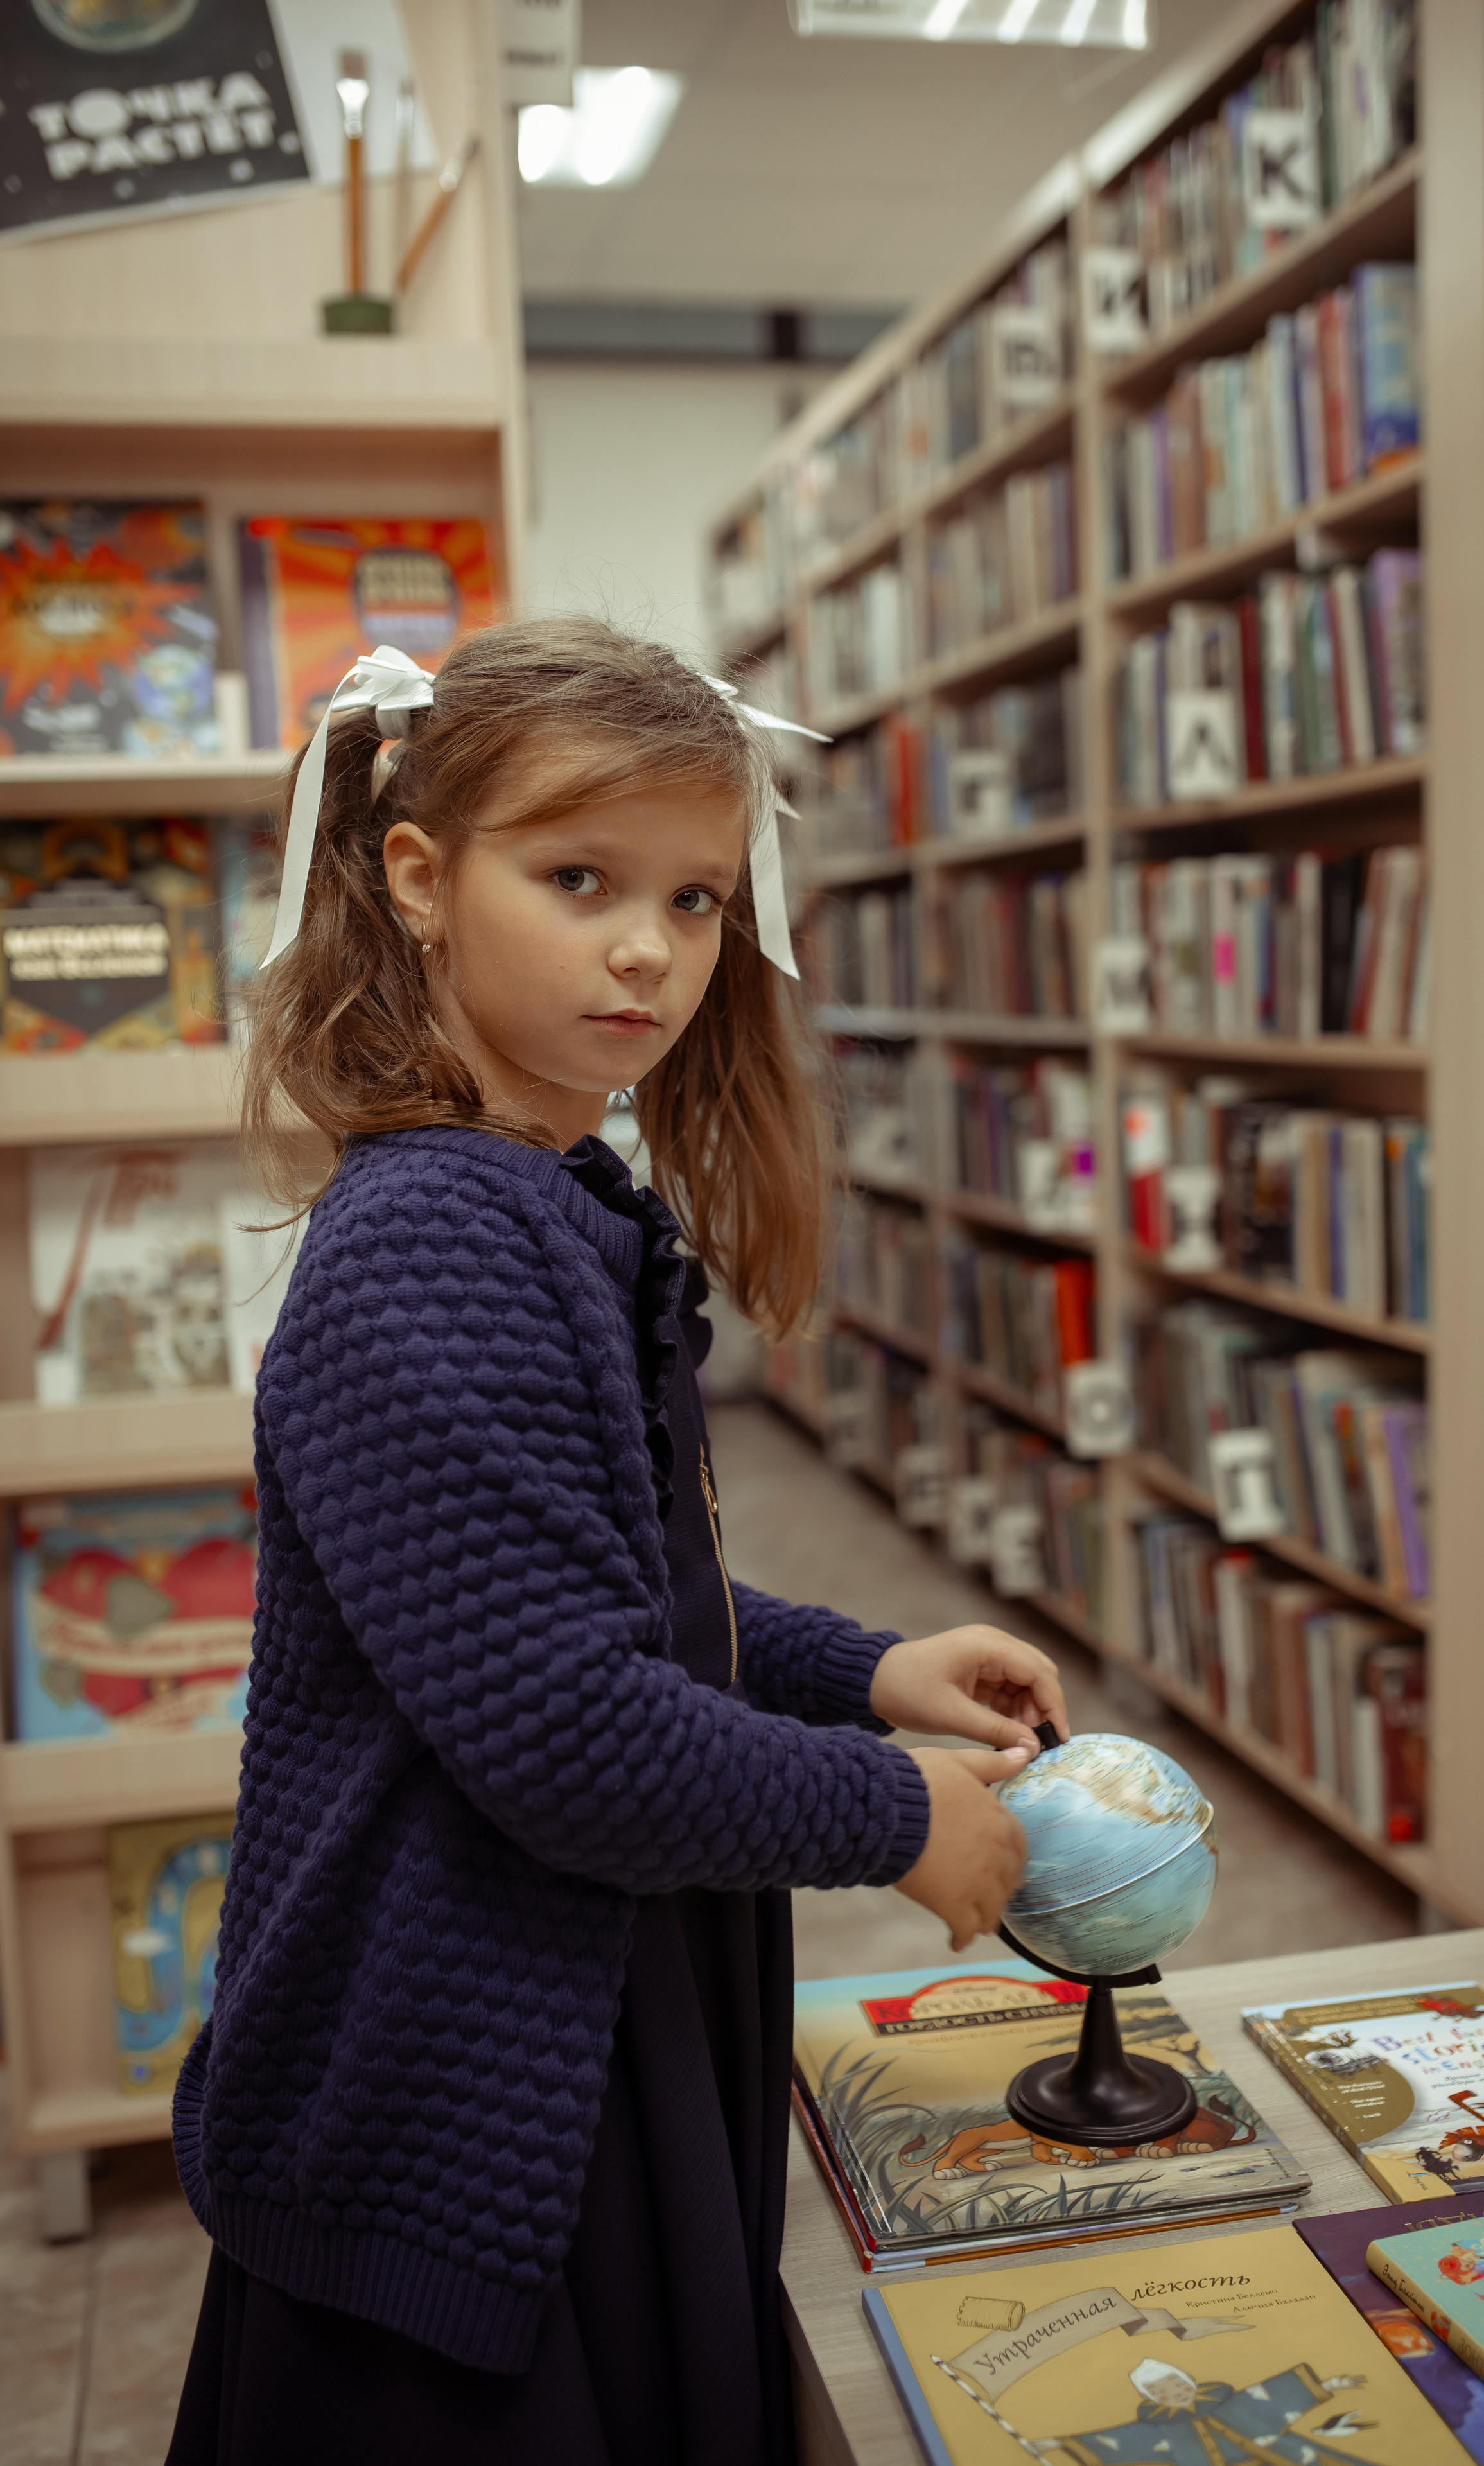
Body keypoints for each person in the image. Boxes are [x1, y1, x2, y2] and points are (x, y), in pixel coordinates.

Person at [166, 616, 1069, 2466]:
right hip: (464, 2078)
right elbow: (571, 1737)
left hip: (578, 2013)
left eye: (698, 898)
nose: (649, 949)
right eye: (578, 880)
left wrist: (858, 1666)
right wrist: (900, 1812)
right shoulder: (437, 1241)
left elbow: (588, 1590)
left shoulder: (553, 1200)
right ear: (418, 878)